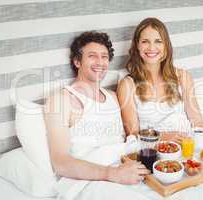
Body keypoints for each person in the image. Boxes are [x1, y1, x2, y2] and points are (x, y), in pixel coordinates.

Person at [117, 18, 203, 155]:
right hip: (154, 152)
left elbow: (198, 123)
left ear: (166, 46)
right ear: (137, 46)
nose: (152, 47)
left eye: (158, 41)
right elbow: (133, 134)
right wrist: (162, 137)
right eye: (145, 41)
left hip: (189, 147)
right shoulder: (127, 85)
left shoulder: (183, 77)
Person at [44, 31, 149, 185]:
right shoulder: (60, 100)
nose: (100, 62)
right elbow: (61, 163)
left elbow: (127, 139)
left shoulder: (113, 97)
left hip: (127, 168)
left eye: (104, 57)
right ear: (77, 62)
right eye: (92, 56)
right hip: (90, 179)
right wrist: (111, 173)